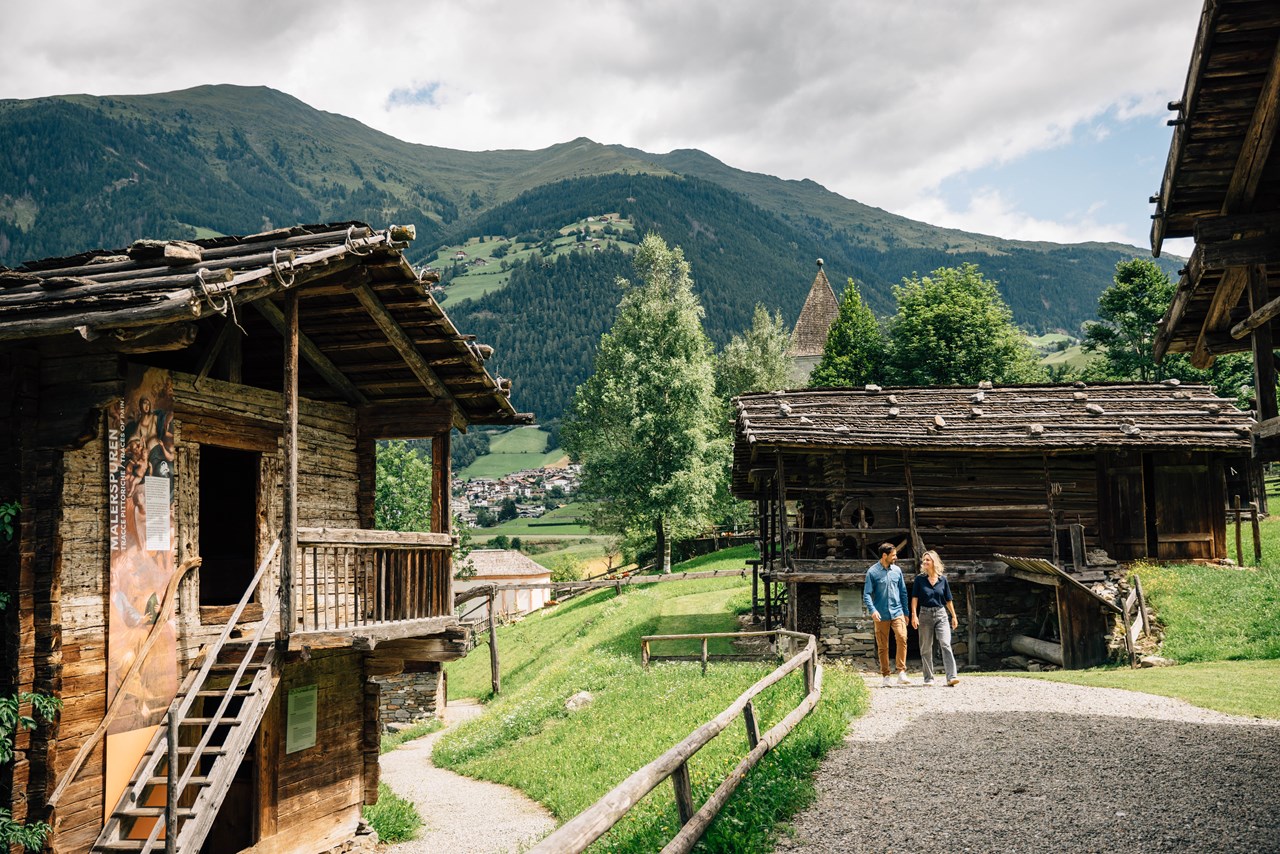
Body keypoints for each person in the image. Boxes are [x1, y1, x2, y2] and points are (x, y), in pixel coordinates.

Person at [864, 542, 911, 687]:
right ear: (885, 555)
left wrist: (906, 612)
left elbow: (903, 592)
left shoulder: (897, 571)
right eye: (893, 555)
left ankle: (901, 672)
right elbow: (866, 594)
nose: (896, 557)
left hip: (897, 612)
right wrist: (873, 610)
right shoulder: (872, 572)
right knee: (883, 646)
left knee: (902, 637)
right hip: (881, 614)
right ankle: (886, 676)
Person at [910, 550, 960, 687]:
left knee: (945, 644)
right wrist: (914, 615)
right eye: (924, 560)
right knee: (926, 647)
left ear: (934, 562)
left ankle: (951, 677)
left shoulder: (942, 579)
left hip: (941, 614)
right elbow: (914, 598)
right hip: (925, 614)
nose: (925, 562)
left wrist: (954, 616)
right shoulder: (919, 579)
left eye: (928, 560)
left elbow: (948, 600)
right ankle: (928, 678)